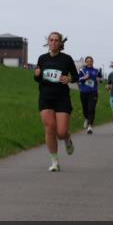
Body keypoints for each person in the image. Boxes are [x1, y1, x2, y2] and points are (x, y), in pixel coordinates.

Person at [34, 32, 79, 172]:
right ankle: (54, 162)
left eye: (56, 40)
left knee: (61, 132)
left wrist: (69, 79)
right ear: (48, 42)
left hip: (62, 98)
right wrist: (35, 75)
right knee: (49, 128)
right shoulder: (42, 58)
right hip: (46, 97)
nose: (53, 42)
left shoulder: (66, 59)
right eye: (51, 40)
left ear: (60, 43)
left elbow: (76, 76)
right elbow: (38, 77)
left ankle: (67, 138)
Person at [77, 56, 102, 134]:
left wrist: (99, 79)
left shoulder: (96, 71)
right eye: (87, 61)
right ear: (85, 62)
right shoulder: (82, 70)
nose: (89, 62)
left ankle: (90, 126)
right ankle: (86, 119)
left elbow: (101, 79)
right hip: (84, 92)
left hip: (93, 92)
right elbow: (78, 80)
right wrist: (84, 78)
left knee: (91, 109)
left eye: (90, 61)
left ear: (93, 62)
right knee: (85, 109)